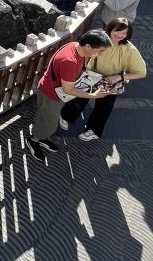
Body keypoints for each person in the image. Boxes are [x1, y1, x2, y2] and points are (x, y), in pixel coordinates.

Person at [27, 29, 112, 162]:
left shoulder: (74, 45)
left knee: (49, 120)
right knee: (47, 122)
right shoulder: (70, 61)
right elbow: (68, 90)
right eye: (100, 50)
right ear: (88, 46)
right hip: (52, 95)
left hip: (52, 90)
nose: (101, 54)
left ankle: (42, 138)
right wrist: (93, 95)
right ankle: (34, 140)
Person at [59, 16, 147, 141]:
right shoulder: (99, 39)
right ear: (110, 28)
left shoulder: (129, 50)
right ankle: (66, 116)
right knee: (80, 98)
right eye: (117, 31)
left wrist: (120, 77)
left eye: (124, 33)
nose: (120, 35)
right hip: (92, 74)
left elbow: (142, 72)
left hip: (112, 80)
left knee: (104, 107)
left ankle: (94, 130)